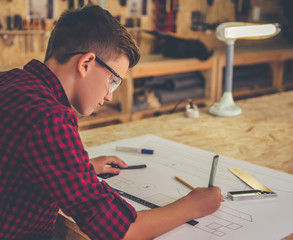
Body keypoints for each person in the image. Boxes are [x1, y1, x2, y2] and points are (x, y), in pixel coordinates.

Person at [0, 5, 222, 240]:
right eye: (113, 81)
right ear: (85, 63)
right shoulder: (49, 119)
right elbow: (121, 231)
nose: (109, 96)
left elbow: (20, 158)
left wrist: (77, 170)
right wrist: (193, 205)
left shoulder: (11, 81)